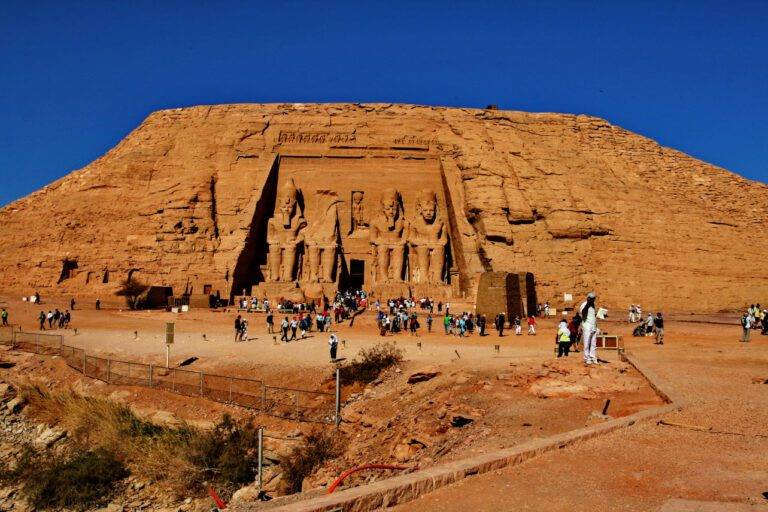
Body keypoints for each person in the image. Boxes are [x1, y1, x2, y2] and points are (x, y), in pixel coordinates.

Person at [580, 292, 599, 365]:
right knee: (587, 342)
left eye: (594, 299)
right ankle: (587, 358)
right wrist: (588, 304)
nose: (593, 300)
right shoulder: (584, 304)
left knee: (593, 343)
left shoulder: (594, 305)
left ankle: (593, 357)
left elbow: (593, 315)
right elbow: (583, 313)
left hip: (593, 325)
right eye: (591, 299)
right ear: (588, 298)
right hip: (587, 325)